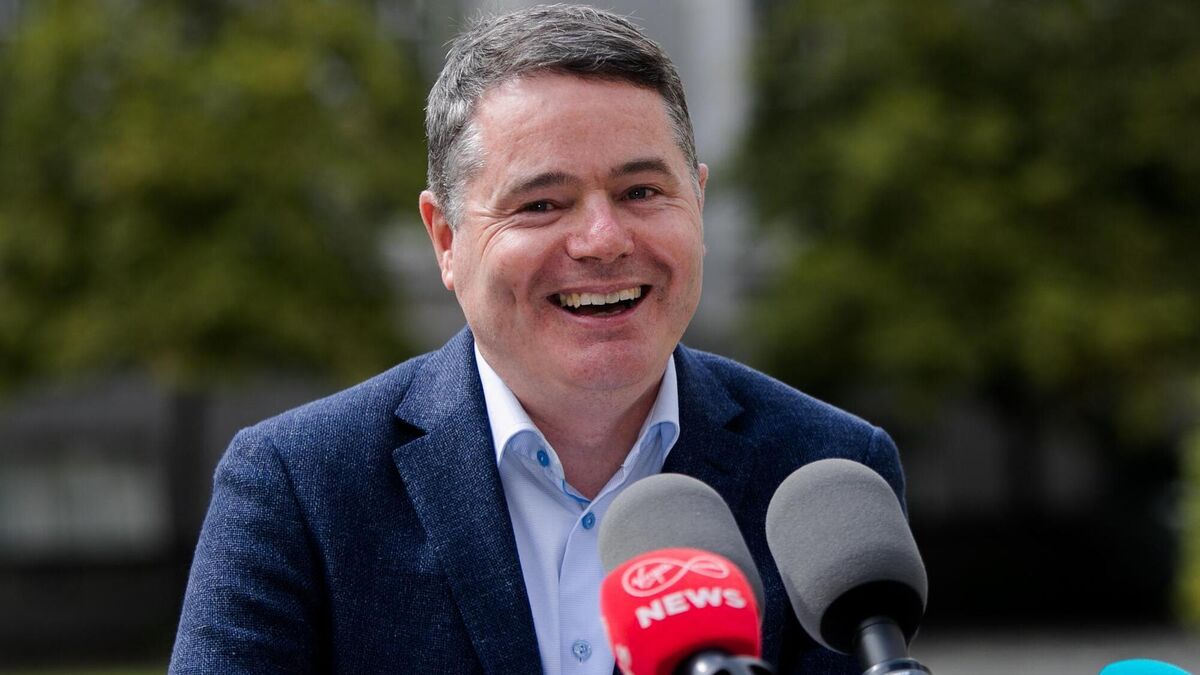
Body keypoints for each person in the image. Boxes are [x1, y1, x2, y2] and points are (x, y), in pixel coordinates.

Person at [170, 5, 906, 674]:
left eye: (641, 192)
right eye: (542, 203)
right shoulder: (299, 488)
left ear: (699, 204)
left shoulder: (826, 478)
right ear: (446, 239)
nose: (603, 239)